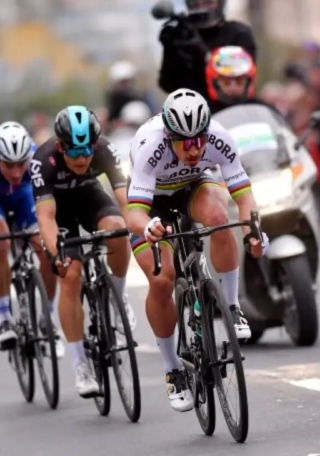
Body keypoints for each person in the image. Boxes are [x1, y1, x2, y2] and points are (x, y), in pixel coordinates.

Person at [126, 88, 268, 412]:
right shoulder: (151, 147)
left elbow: (244, 198)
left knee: (219, 217)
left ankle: (231, 307)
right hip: (151, 200)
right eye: (184, 142)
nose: (194, 148)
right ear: (168, 135)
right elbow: (134, 213)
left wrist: (254, 233)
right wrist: (148, 227)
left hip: (194, 185)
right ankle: (172, 369)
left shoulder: (219, 138)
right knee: (162, 280)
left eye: (199, 140)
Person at [31, 106, 134, 398]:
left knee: (116, 229)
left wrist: (136, 230)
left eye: (87, 150)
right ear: (61, 145)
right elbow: (46, 218)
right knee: (71, 276)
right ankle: (81, 365)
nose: (82, 158)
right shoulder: (43, 160)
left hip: (90, 199)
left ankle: (118, 294)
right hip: (59, 213)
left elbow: (125, 201)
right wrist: (57, 254)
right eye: (74, 152)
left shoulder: (104, 149)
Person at [0, 121, 58, 351]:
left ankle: (48, 316)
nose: (16, 172)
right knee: (0, 243)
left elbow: (51, 211)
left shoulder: (37, 161)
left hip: (24, 197)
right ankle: (4, 317)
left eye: (20, 165)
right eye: (9, 165)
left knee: (46, 248)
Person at [158, 0, 255, 109]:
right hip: (194, 116)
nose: (202, 8)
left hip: (235, 110)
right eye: (196, 4)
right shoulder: (183, 35)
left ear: (221, 2)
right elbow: (168, 85)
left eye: (209, 2)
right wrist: (170, 50)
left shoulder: (239, 33)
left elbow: (242, 78)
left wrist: (202, 54)